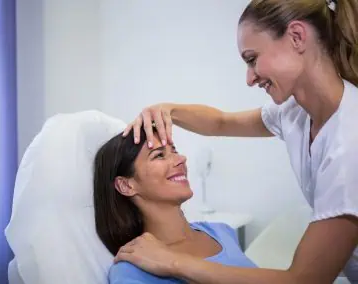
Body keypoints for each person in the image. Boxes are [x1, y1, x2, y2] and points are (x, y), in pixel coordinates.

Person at [117, 0, 358, 283]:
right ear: (125, 184)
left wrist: (172, 262)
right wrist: (168, 109)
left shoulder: (349, 141)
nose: (249, 78)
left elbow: (303, 280)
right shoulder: (295, 114)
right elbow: (220, 121)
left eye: (252, 58)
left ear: (296, 37)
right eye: (159, 155)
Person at [93, 126, 257, 283]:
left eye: (174, 151)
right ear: (126, 186)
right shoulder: (131, 269)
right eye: (159, 155)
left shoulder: (222, 231)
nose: (181, 159)